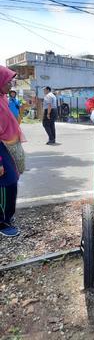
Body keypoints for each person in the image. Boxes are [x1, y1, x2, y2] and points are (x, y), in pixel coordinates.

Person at [0, 65, 25, 237]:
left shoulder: (3, 98)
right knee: (5, 184)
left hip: (6, 145)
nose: (11, 85)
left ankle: (8, 216)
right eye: (8, 81)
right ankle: (1, 223)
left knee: (12, 182)